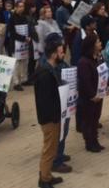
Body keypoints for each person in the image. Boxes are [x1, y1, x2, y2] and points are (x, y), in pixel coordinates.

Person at [34, 35, 66, 188]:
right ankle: (44, 180)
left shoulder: (50, 69)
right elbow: (46, 101)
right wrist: (54, 117)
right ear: (53, 54)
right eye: (61, 52)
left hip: (53, 116)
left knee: (52, 148)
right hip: (50, 118)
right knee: (49, 150)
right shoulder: (45, 74)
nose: (63, 54)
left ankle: (47, 175)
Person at [77, 32, 105, 152]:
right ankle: (89, 142)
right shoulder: (84, 62)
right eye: (98, 42)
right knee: (88, 120)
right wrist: (92, 95)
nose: (100, 43)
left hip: (98, 94)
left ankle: (95, 140)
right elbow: (85, 81)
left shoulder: (98, 58)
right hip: (89, 98)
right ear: (92, 45)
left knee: (95, 119)